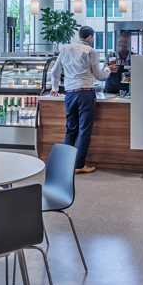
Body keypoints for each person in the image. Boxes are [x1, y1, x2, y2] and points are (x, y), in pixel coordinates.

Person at [48, 26, 118, 174]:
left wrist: (54, 88)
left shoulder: (65, 49)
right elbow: (99, 76)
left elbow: (54, 71)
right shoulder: (91, 51)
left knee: (71, 130)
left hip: (70, 94)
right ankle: (79, 165)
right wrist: (109, 70)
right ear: (90, 38)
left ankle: (67, 165)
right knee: (84, 131)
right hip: (85, 94)